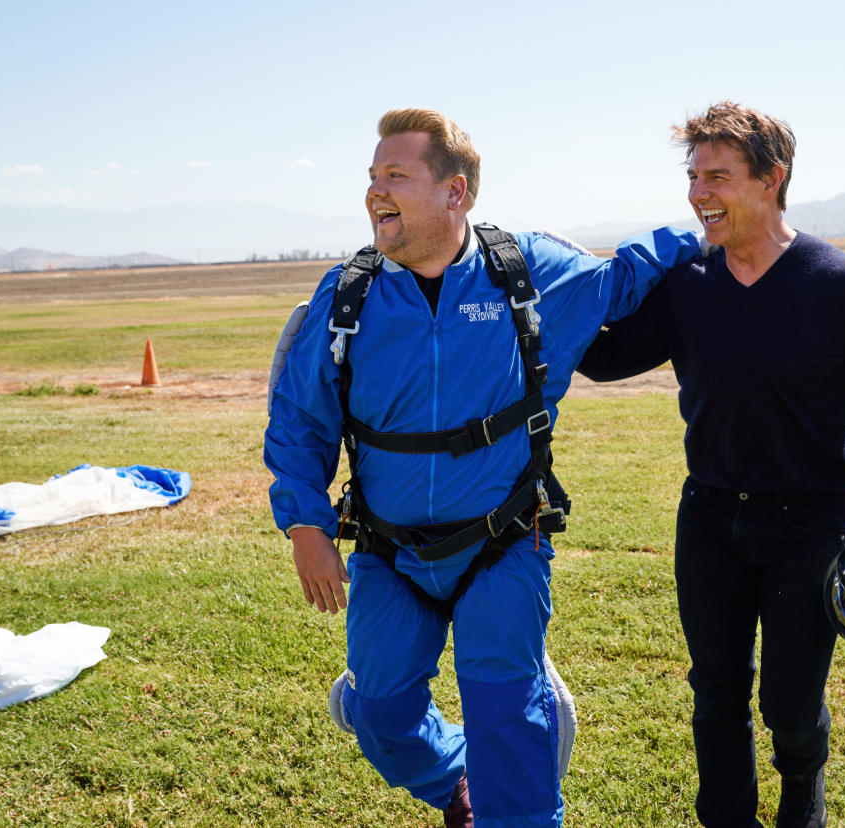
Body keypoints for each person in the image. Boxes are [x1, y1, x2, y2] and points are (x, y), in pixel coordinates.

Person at [264, 108, 702, 828]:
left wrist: (709, 226)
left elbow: (627, 276)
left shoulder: (526, 274)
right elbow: (298, 421)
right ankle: (457, 782)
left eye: (395, 176)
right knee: (379, 716)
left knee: (509, 718)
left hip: (502, 542)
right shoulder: (347, 297)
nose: (376, 192)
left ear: (454, 192)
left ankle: (513, 785)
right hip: (388, 549)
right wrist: (306, 525)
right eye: (372, 178)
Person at [576, 102, 845, 828]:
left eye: (717, 177)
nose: (697, 193)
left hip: (809, 522)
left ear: (770, 179)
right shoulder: (688, 285)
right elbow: (607, 358)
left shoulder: (841, 281)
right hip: (708, 515)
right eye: (692, 176)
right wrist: (551, 297)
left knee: (790, 702)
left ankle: (802, 792)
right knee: (714, 691)